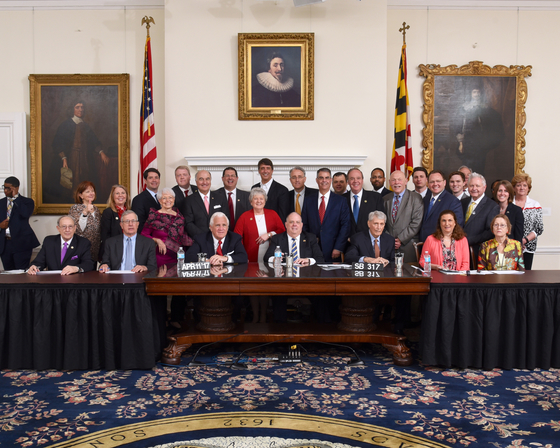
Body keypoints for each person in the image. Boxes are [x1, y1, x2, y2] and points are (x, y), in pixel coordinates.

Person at [264, 212, 325, 323]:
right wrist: (275, 259)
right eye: (291, 222)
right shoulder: (277, 238)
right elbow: (266, 257)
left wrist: (308, 260)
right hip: (283, 282)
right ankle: (279, 327)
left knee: (321, 296)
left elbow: (320, 259)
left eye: (297, 222)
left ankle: (323, 326)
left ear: (301, 225)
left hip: (307, 282)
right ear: (286, 224)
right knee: (278, 296)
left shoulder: (310, 238)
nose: (294, 225)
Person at [52, 100, 106, 192]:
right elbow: (57, 143)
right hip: (71, 157)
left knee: (85, 179)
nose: (80, 110)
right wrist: (64, 158)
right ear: (72, 109)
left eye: (82, 107)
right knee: (72, 180)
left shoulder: (85, 125)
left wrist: (101, 152)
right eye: (77, 107)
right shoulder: (65, 125)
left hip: (85, 157)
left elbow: (93, 140)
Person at [452, 86, 504, 175]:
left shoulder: (486, 108)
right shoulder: (464, 108)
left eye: (478, 92)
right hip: (467, 143)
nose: (476, 94)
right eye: (474, 92)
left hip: (480, 144)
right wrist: (461, 143)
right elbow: (458, 126)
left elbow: (494, 119)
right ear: (471, 94)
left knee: (480, 167)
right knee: (467, 167)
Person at [301, 168, 351, 262]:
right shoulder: (308, 200)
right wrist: (309, 241)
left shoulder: (341, 201)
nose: (324, 180)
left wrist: (338, 247)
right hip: (312, 249)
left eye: (327, 178)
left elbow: (345, 226)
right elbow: (304, 224)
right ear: (317, 180)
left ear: (331, 180)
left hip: (333, 250)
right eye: (321, 178)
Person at [141, 187, 192, 267]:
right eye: (164, 198)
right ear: (159, 200)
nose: (168, 200)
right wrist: (157, 241)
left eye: (170, 197)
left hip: (179, 255)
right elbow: (143, 235)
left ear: (174, 199)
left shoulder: (180, 216)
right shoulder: (154, 216)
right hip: (161, 256)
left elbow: (183, 235)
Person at [27, 216, 94, 275]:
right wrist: (34, 267)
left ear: (75, 228)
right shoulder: (49, 241)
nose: (67, 230)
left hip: (73, 281)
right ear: (58, 228)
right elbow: (38, 262)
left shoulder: (83, 243)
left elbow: (88, 264)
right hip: (52, 280)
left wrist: (76, 268)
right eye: (64, 226)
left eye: (70, 226)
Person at [234, 187, 285, 263]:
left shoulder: (273, 214)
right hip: (250, 257)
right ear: (251, 202)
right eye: (255, 199)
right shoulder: (244, 217)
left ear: (265, 201)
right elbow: (237, 238)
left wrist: (269, 234)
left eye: (261, 198)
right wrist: (242, 255)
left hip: (272, 258)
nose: (259, 201)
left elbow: (282, 231)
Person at [0, 176, 40, 270]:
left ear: (16, 188)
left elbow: (25, 214)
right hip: (5, 244)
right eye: (4, 187)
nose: (5, 190)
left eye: (8, 188)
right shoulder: (1, 203)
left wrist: (16, 198)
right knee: (8, 273)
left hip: (22, 244)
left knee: (21, 273)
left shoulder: (27, 202)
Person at [383, 170, 423, 263]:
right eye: (393, 180)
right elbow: (382, 222)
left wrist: (400, 239)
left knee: (408, 271)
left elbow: (416, 223)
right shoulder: (385, 199)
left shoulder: (416, 198)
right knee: (388, 270)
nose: (396, 182)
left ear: (406, 181)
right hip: (389, 246)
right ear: (389, 182)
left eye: (399, 179)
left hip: (408, 246)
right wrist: (390, 240)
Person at [461, 173, 500, 263]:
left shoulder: (492, 206)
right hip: (460, 250)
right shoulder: (462, 202)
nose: (474, 188)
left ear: (484, 187)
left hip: (477, 251)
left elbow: (490, 231)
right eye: (471, 185)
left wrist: (469, 240)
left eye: (477, 186)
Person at [181, 170, 230, 238]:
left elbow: (226, 219)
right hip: (198, 239)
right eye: (201, 179)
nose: (204, 182)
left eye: (207, 179)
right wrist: (204, 237)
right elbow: (188, 223)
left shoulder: (220, 198)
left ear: (210, 181)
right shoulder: (188, 200)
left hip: (218, 238)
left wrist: (217, 236)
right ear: (196, 181)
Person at [420, 170, 464, 242]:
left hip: (439, 243)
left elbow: (457, 225)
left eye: (438, 181)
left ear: (444, 183)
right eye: (432, 182)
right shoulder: (425, 199)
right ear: (428, 183)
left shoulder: (453, 201)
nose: (435, 184)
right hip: (423, 243)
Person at [512, 173, 543, 270]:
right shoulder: (509, 204)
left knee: (526, 274)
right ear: (514, 188)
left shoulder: (535, 204)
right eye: (518, 185)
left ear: (528, 188)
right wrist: (516, 242)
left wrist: (524, 240)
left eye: (525, 185)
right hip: (510, 246)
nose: (522, 188)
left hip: (528, 247)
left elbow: (539, 228)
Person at [344, 168, 385, 236]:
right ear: (348, 182)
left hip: (368, 240)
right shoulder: (342, 199)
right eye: (352, 178)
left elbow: (381, 222)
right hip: (347, 241)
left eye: (358, 178)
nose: (355, 181)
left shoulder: (375, 197)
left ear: (362, 180)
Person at [68, 181, 101, 262]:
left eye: (92, 191)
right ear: (80, 195)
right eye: (87, 191)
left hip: (95, 250)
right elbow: (78, 229)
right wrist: (85, 212)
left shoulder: (96, 209)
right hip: (80, 249)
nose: (91, 193)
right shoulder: (75, 208)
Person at [251, 158, 289, 222]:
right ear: (259, 171)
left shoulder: (282, 190)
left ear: (272, 171)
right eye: (262, 168)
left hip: (274, 226)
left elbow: (283, 215)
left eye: (268, 168)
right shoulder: (254, 188)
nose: (265, 171)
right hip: (256, 224)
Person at [100, 184, 130, 259]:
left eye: (123, 193)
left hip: (128, 250)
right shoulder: (108, 212)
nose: (120, 195)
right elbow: (105, 236)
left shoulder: (131, 212)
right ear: (113, 197)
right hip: (113, 252)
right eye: (117, 193)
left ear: (126, 196)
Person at [131, 168, 161, 233]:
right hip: (149, 237)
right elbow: (139, 224)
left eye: (156, 177)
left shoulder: (164, 197)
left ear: (159, 180)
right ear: (145, 181)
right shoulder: (138, 199)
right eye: (150, 178)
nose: (154, 180)